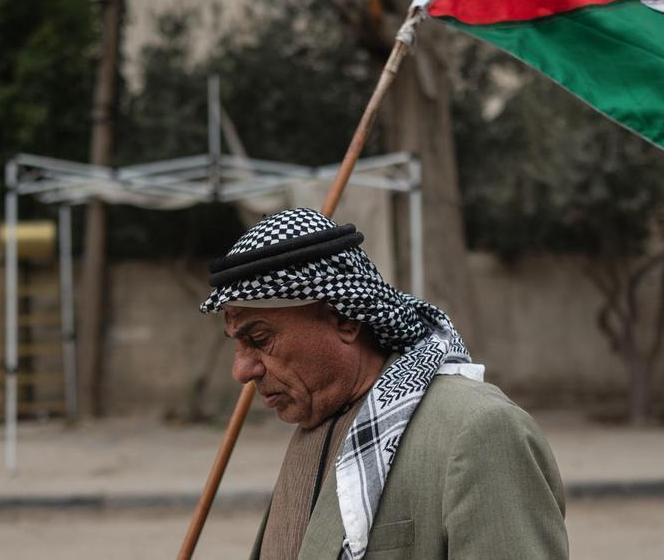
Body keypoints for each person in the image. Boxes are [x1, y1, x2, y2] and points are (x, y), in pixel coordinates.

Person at [201, 208, 568, 559]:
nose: (242, 370)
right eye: (237, 343)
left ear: (345, 320)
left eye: (260, 339)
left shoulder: (478, 430)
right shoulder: (314, 416)